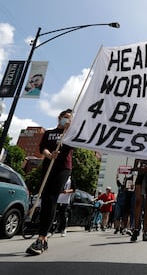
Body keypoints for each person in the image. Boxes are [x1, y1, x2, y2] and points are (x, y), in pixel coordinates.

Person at [26, 109, 74, 255]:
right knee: (46, 199)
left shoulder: (70, 134)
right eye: (65, 118)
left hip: (62, 168)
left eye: (69, 119)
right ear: (59, 118)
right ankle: (44, 237)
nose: (67, 120)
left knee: (52, 198)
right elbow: (42, 148)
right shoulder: (48, 133)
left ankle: (41, 238)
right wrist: (48, 154)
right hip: (48, 167)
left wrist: (67, 134)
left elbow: (68, 149)